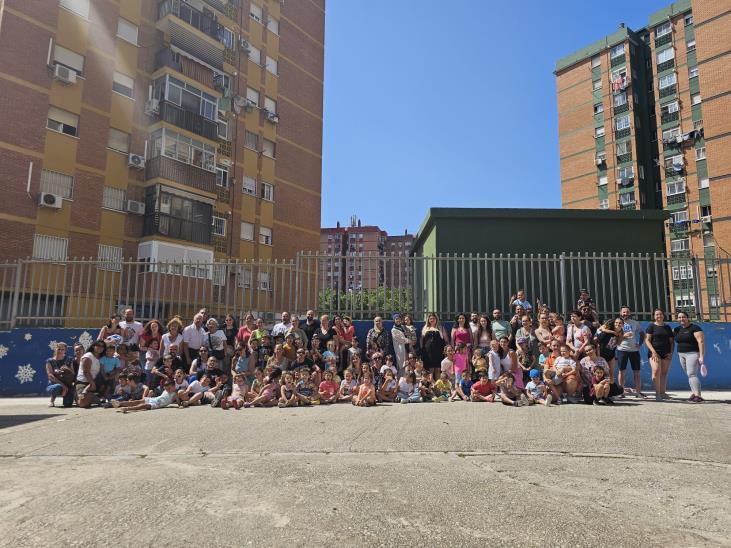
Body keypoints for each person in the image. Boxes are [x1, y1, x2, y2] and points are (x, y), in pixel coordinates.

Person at [673, 311, 705, 403]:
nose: (681, 319)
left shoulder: (695, 328)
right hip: (681, 354)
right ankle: (694, 393)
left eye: (683, 317)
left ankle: (698, 395)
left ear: (687, 318)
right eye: (679, 317)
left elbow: (701, 342)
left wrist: (701, 356)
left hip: (693, 354)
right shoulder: (677, 329)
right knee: (689, 375)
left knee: (692, 374)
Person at [616, 306, 646, 398]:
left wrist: (640, 344)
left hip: (634, 351)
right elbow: (614, 335)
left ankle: (638, 392)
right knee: (622, 372)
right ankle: (621, 392)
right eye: (624, 312)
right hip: (622, 350)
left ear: (630, 313)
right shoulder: (617, 323)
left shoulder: (635, 323)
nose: (625, 314)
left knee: (637, 372)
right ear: (620, 313)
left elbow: (642, 334)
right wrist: (624, 336)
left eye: (627, 312)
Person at [645, 308, 674, 402]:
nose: (659, 316)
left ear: (663, 315)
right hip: (654, 353)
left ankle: (662, 393)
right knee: (656, 371)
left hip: (666, 353)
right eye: (657, 314)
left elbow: (672, 342)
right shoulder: (651, 327)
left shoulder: (667, 327)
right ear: (654, 316)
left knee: (664, 373)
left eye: (660, 314)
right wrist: (653, 351)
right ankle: (657, 394)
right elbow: (647, 340)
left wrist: (671, 353)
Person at [112, 379, 177, 412]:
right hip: (154, 399)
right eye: (166, 388)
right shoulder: (165, 390)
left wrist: (180, 404)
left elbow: (178, 400)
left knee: (143, 406)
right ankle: (119, 403)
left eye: (169, 388)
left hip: (157, 404)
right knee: (137, 401)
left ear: (174, 387)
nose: (167, 389)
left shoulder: (174, 394)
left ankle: (127, 409)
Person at [76, 340, 106, 408]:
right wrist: (92, 383)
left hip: (95, 382)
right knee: (83, 404)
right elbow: (86, 372)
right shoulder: (88, 356)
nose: (100, 347)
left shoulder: (101, 358)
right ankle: (95, 398)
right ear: (93, 346)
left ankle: (94, 397)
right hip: (83, 382)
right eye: (98, 345)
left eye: (102, 346)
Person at [45, 342, 75, 407]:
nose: (60, 351)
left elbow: (73, 373)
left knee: (68, 404)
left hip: (67, 384)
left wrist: (67, 369)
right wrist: (63, 386)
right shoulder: (50, 361)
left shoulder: (69, 359)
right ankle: (52, 401)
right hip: (54, 384)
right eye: (59, 349)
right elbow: (50, 376)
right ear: (55, 349)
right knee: (57, 387)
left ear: (65, 350)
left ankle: (73, 398)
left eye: (62, 349)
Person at [421, 312, 449, 378]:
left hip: (439, 352)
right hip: (428, 353)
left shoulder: (441, 328)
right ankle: (430, 383)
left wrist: (447, 350)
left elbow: (446, 340)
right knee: (430, 369)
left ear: (436, 319)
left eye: (433, 318)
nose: (432, 320)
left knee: (438, 369)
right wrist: (422, 349)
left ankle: (437, 384)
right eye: (430, 319)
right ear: (428, 320)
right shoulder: (425, 328)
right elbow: (421, 340)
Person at [595, 318, 624, 382]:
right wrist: (612, 332)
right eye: (616, 322)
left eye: (620, 323)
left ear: (623, 325)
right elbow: (598, 341)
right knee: (600, 373)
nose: (618, 324)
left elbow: (619, 343)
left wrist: (620, 336)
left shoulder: (621, 332)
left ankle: (611, 386)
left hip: (611, 355)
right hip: (601, 354)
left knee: (611, 373)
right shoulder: (607, 330)